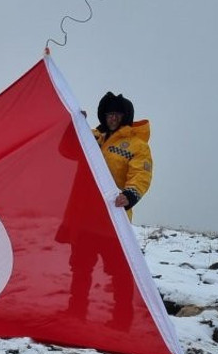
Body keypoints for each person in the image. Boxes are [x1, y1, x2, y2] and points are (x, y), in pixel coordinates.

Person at [59, 92, 153, 325]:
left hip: (112, 219)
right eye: (109, 114)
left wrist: (129, 195)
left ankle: (122, 319)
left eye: (117, 114)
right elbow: (67, 150)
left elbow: (141, 174)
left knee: (119, 270)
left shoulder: (136, 146)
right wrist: (75, 126)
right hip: (84, 216)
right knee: (81, 267)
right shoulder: (92, 137)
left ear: (125, 116)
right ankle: (76, 312)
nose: (113, 118)